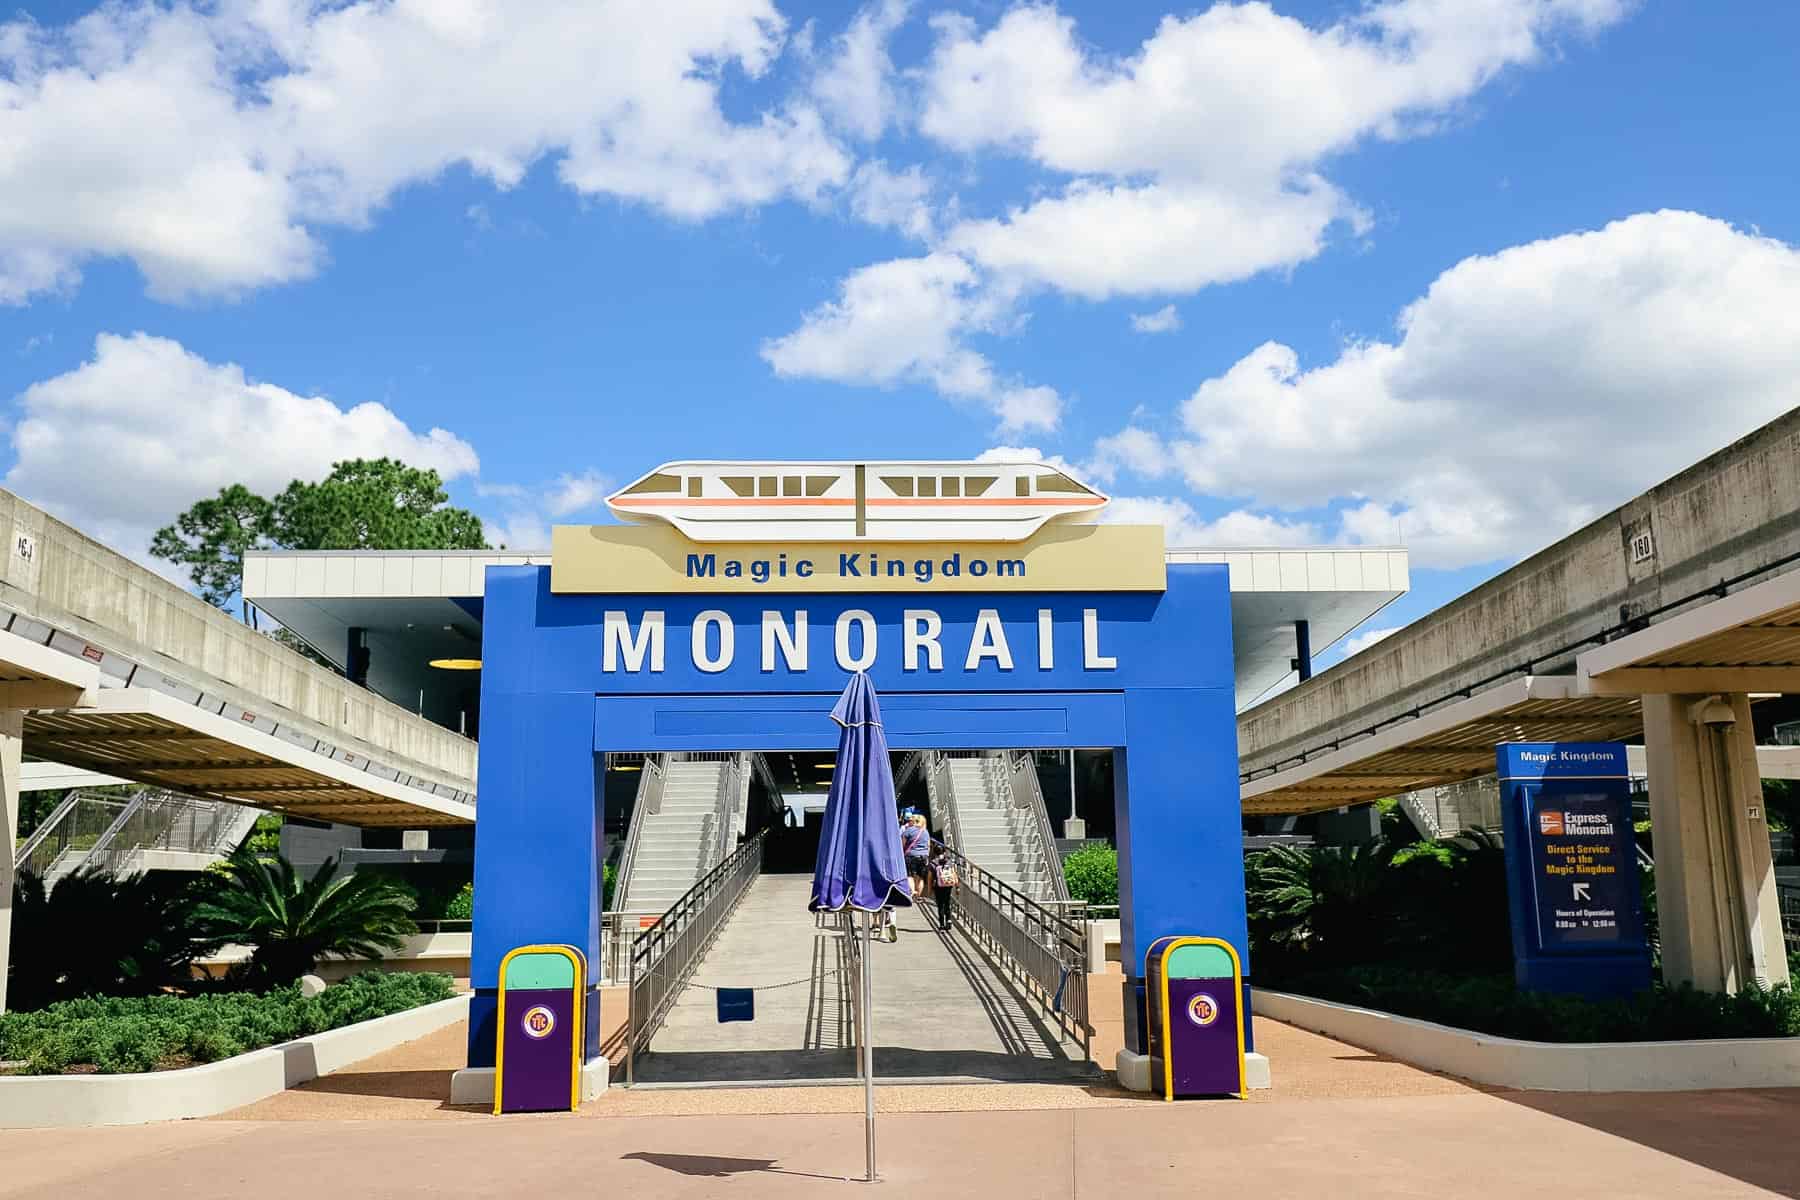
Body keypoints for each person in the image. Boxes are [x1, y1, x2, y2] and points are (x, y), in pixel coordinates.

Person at [928, 843, 959, 931]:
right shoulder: (949, 862)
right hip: (948, 885)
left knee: (940, 905)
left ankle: (941, 925)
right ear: (944, 852)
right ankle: (949, 920)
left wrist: (929, 890)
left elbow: (930, 878)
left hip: (938, 886)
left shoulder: (933, 863)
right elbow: (954, 874)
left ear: (934, 853)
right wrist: (957, 886)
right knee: (947, 903)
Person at [901, 813, 930, 898]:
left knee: (909, 875)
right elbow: (928, 845)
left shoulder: (908, 831)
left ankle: (913, 891)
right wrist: (926, 854)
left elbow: (902, 844)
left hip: (911, 855)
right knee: (920, 877)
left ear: (913, 821)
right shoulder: (925, 832)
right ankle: (919, 896)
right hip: (924, 856)